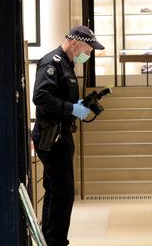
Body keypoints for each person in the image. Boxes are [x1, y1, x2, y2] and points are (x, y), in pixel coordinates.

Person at [31, 25, 104, 246]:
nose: (89, 54)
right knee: (61, 192)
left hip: (61, 135)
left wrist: (75, 106)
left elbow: (58, 96)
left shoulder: (66, 64)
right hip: (51, 136)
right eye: (88, 49)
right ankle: (55, 241)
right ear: (75, 42)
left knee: (57, 190)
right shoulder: (52, 63)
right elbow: (41, 96)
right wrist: (71, 109)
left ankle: (50, 239)